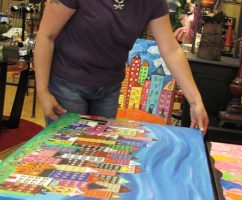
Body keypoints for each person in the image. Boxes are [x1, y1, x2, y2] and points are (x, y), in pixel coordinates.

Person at [34, 0, 209, 134]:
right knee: (66, 155)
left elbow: (170, 48)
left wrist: (195, 101)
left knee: (98, 153)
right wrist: (42, 91)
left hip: (109, 87)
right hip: (67, 83)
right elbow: (46, 35)